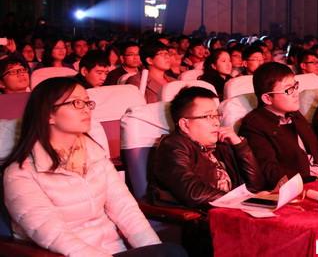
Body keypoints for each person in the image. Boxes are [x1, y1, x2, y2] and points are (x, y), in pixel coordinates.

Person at [2, 77, 185, 257]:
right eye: (76, 103)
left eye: (87, 102)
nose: (86, 109)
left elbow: (125, 210)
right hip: (71, 254)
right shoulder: (21, 174)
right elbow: (53, 235)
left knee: (170, 251)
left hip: (114, 249)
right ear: (48, 114)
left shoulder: (94, 155)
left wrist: (154, 249)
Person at [149, 86, 263, 208]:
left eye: (216, 115)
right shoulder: (172, 146)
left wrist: (239, 145)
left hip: (232, 210)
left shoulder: (220, 144)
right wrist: (241, 200)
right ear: (185, 124)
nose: (217, 123)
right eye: (208, 116)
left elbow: (256, 186)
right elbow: (194, 193)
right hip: (201, 216)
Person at [240, 62, 318, 189]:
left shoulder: (294, 113)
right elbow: (271, 171)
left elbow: (315, 146)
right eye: (288, 90)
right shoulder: (254, 125)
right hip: (298, 187)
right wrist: (308, 180)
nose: (296, 93)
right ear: (267, 98)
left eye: (295, 86)